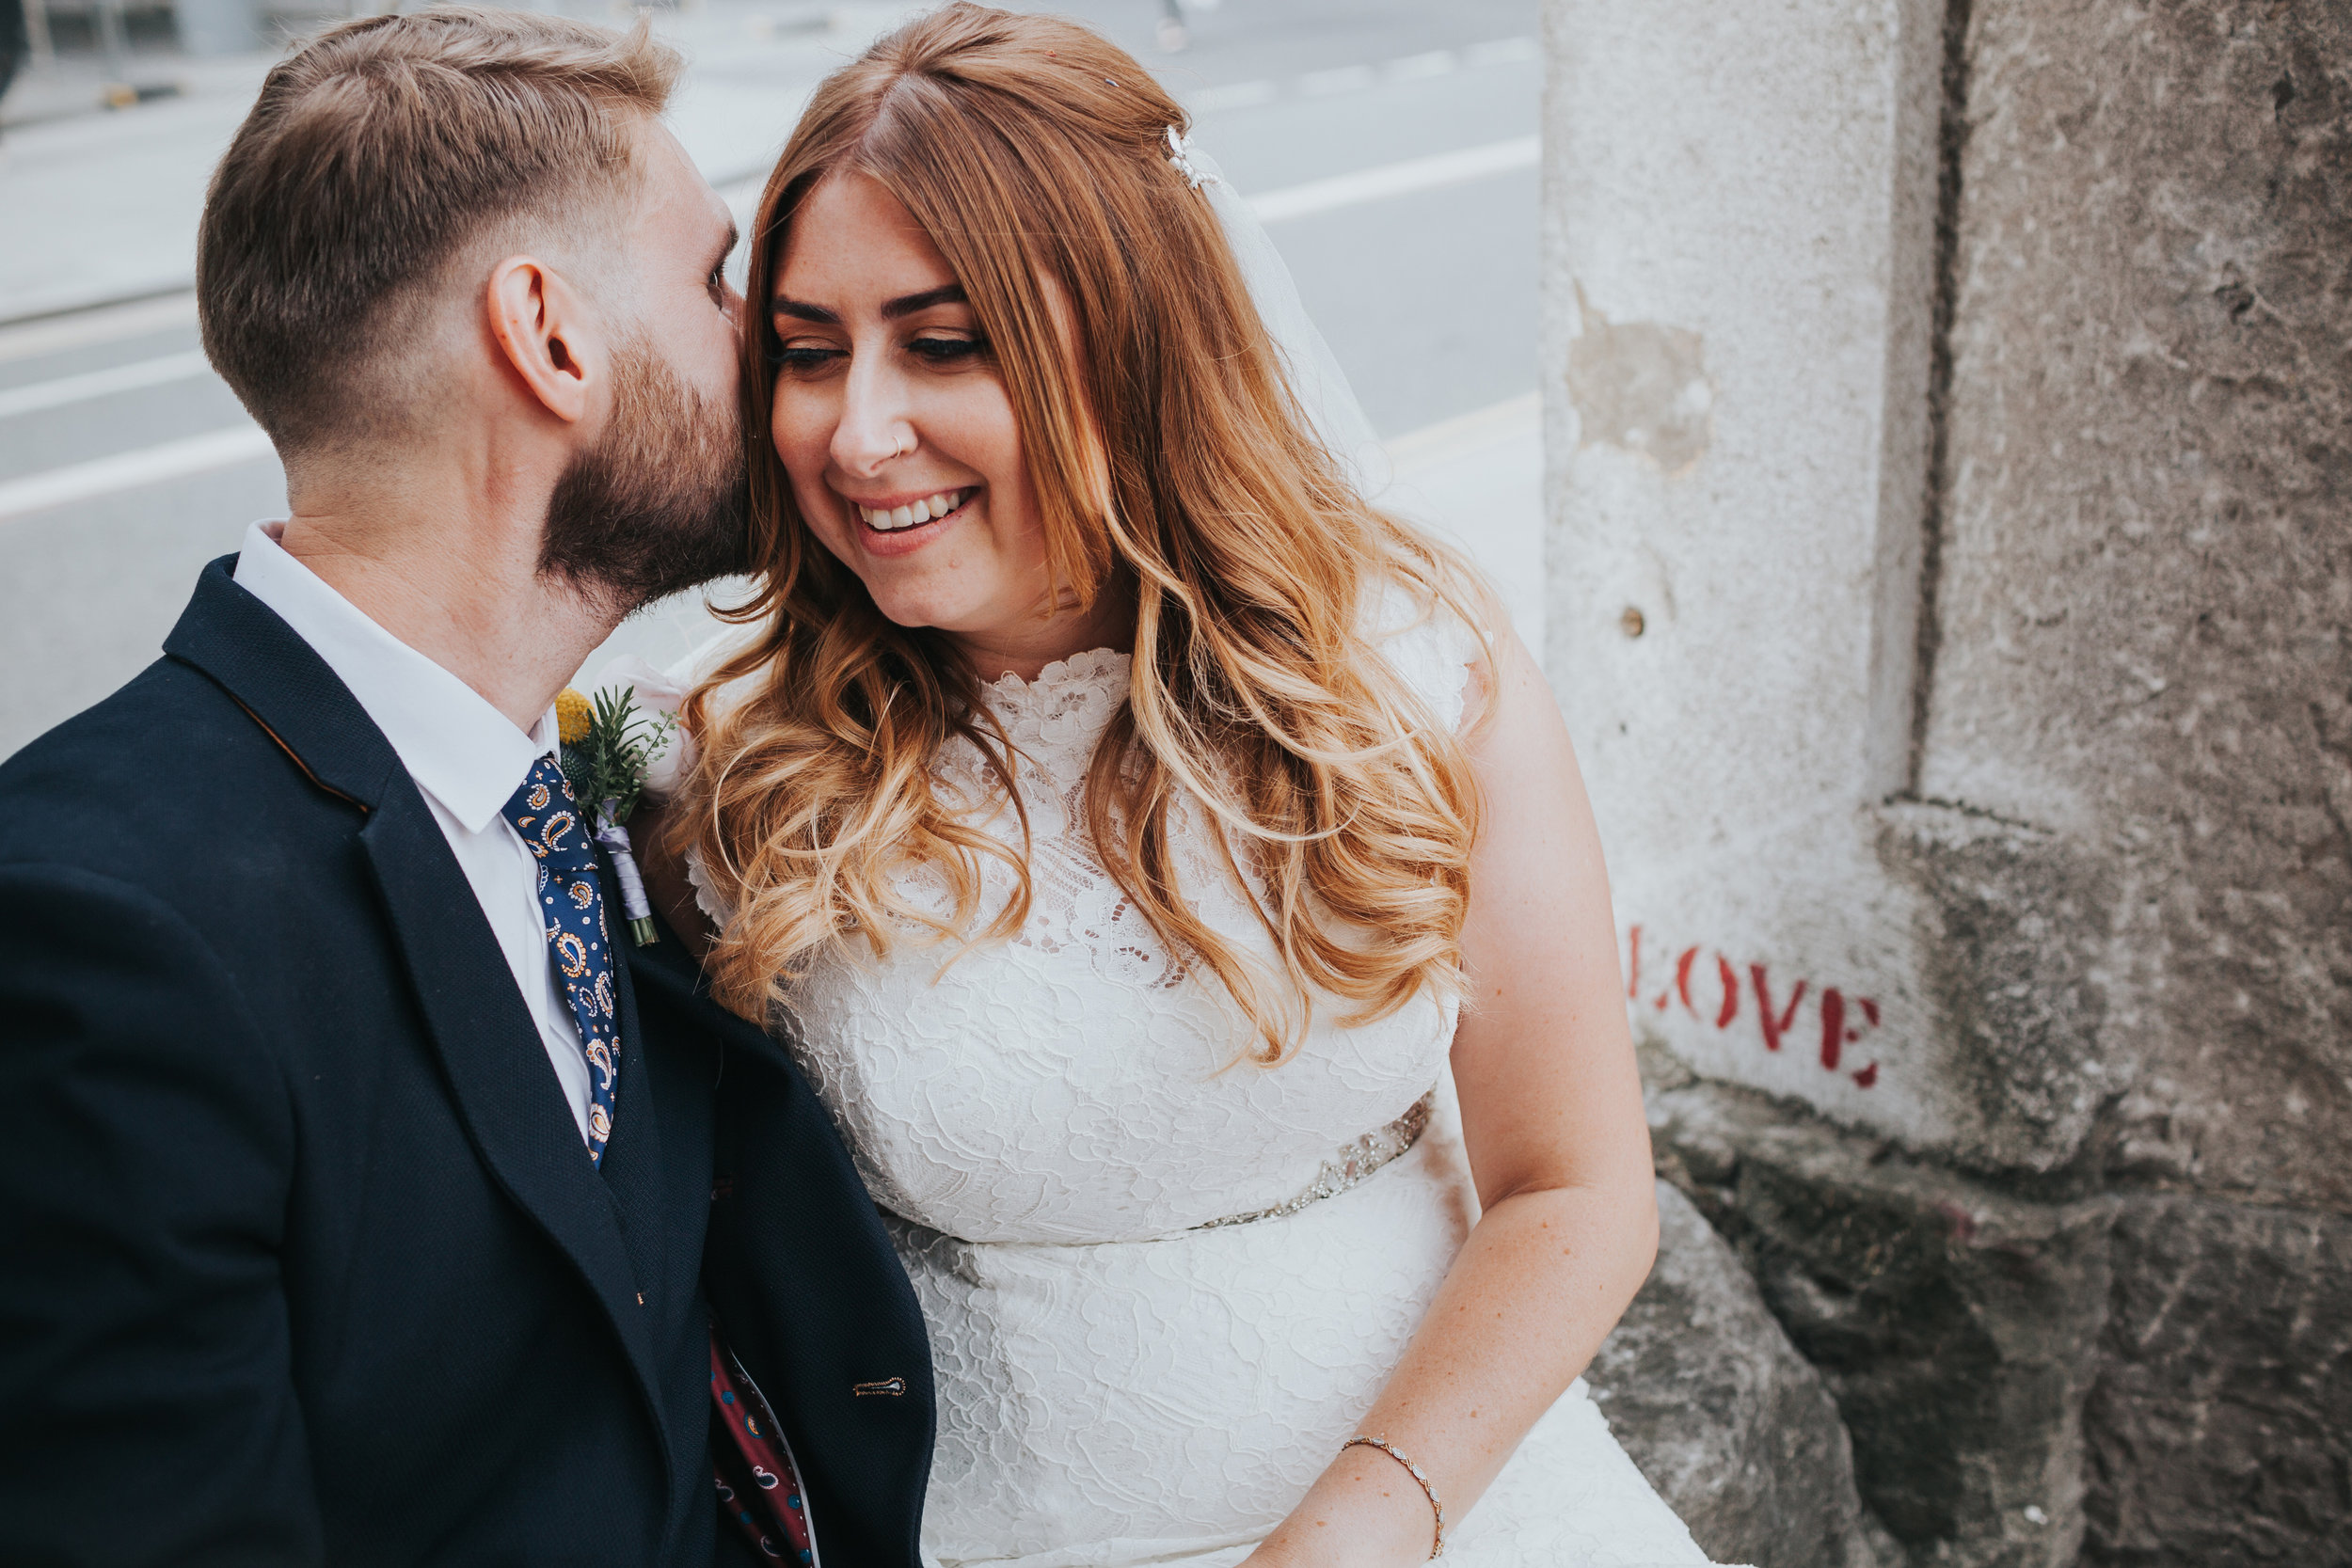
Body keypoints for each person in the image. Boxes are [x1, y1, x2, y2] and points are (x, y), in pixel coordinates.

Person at [652, 7, 1738, 1565]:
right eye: (809, 353)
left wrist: (1362, 1527)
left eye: (944, 343)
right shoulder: (720, 764)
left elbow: (1573, 1186)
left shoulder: (1409, 662)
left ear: (1132, 342)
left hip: (1446, 1509)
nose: (857, 430)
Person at [0, 10, 931, 1565]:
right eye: (711, 280)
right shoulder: (90, 930)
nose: (764, 339)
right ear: (550, 337)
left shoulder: (567, 782)